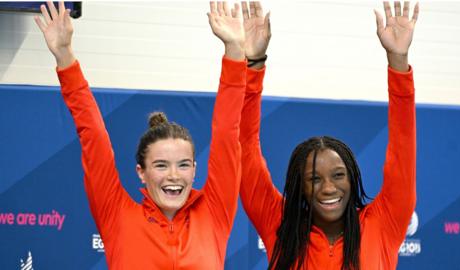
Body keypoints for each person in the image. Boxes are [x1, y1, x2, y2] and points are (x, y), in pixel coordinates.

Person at [34, 1, 249, 269]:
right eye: (161, 165)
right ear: (141, 172)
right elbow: (93, 137)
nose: (173, 175)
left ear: (195, 169)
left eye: (183, 165)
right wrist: (65, 57)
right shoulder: (116, 215)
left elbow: (228, 132)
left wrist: (235, 51)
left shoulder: (215, 211)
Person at [239, 1, 418, 269]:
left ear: (352, 178)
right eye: (314, 178)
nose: (329, 188)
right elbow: (244, 149)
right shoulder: (279, 224)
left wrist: (398, 62)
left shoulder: (383, 222)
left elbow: (402, 148)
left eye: (338, 175)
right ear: (300, 187)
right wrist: (253, 64)